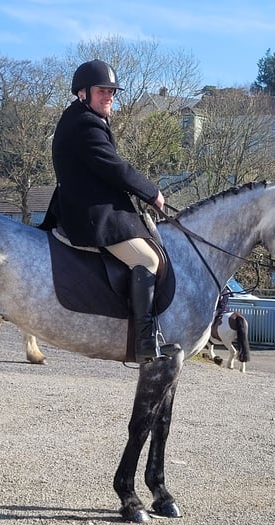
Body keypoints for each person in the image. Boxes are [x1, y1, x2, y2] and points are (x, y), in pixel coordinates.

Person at [42, 59, 173, 364]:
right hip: (92, 214)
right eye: (102, 91)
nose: (109, 96)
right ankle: (144, 343)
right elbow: (114, 168)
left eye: (112, 91)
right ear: (82, 93)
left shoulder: (82, 118)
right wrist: (151, 192)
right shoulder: (84, 124)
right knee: (147, 258)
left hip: (96, 206)